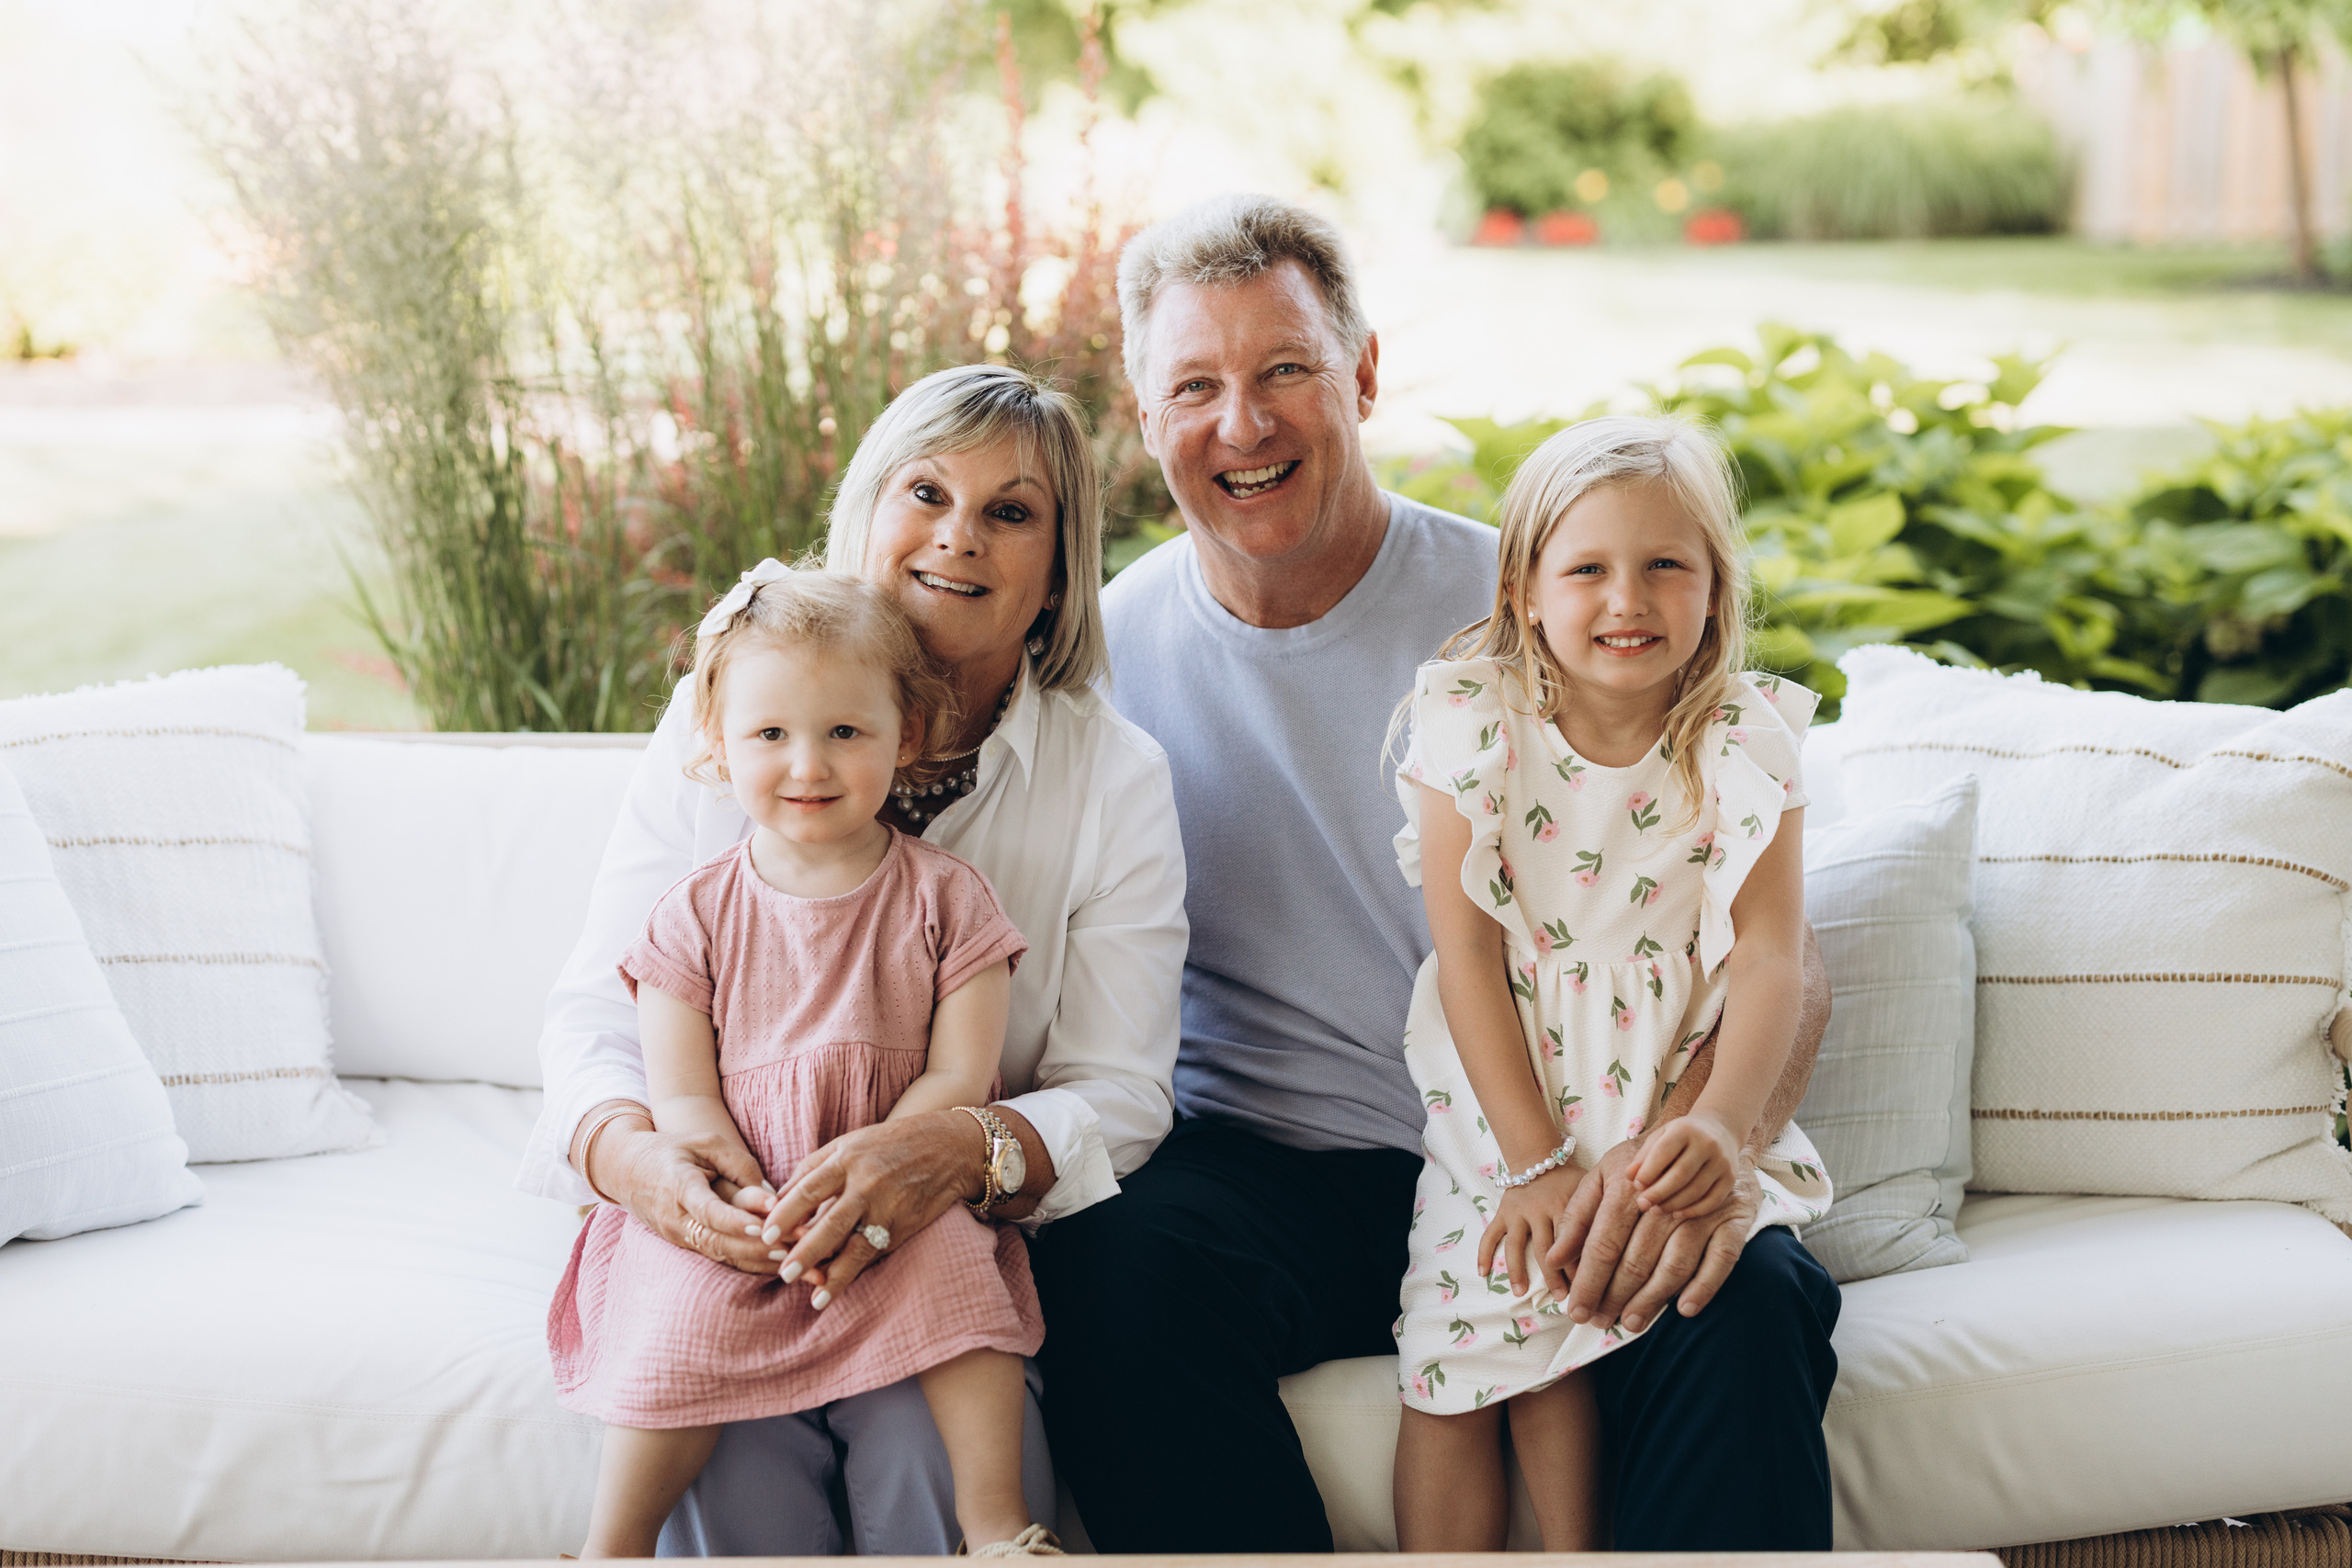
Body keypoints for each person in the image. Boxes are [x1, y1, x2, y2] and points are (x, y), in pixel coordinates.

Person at [1040, 193, 1839, 1552]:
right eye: (1197, 385)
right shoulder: (1102, 663)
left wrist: (1697, 1142)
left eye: (1285, 368)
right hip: (1275, 1166)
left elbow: (1777, 949)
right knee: (1113, 1274)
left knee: (1746, 1297)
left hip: (1588, 1137)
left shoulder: (1540, 607)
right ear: (1143, 406)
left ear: (1361, 371)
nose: (1243, 424)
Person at [519, 364, 1188, 1556]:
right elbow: (598, 1009)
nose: (957, 535)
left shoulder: (1113, 779)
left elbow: (1123, 1088)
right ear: (869, 511)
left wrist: (952, 1144)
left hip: (930, 1228)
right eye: (925, 490)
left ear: (1055, 570)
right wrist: (642, 1159)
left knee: (936, 1458)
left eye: (1011, 510)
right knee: (722, 1447)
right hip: (736, 1216)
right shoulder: (726, 718)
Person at [548, 568, 1059, 1559]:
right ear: (716, 743)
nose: (807, 765)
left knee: (966, 1287)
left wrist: (876, 1156)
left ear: (904, 736)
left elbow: (960, 1079)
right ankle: (611, 1547)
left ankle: (995, 1525)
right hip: (741, 1194)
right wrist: (721, 1178)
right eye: (770, 735)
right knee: (675, 1315)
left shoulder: (947, 900)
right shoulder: (692, 912)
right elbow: (682, 1089)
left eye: (844, 733)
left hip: (890, 1186)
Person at [1387, 415, 1830, 1551]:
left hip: (1666, 1104)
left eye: (1664, 567)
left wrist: (1725, 1128)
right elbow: (1468, 957)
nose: (1625, 599)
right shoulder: (1470, 725)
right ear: (1526, 589)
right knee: (1457, 1355)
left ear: (1716, 592)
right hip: (1508, 1112)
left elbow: (1772, 953)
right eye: (1586, 568)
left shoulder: (1743, 738)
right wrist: (1533, 1163)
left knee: (1578, 1333)